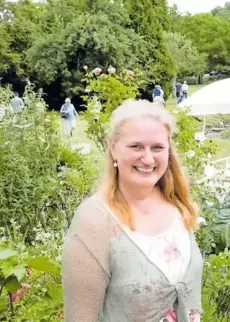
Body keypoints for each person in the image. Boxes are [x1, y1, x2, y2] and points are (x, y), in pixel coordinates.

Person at [62, 100, 202, 322]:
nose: (147, 158)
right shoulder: (95, 220)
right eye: (136, 146)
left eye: (157, 147)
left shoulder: (177, 205)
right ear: (113, 148)